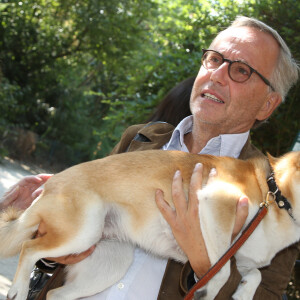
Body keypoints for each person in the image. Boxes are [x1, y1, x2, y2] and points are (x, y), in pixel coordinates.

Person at [1, 16, 299, 299]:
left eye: (241, 70)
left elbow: (265, 296)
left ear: (267, 105)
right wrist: (49, 223)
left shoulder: (276, 194)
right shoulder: (139, 140)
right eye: (214, 59)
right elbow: (59, 258)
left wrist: (207, 264)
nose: (217, 75)